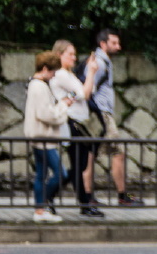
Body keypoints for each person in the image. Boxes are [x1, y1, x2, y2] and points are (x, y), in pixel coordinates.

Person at [50, 39, 104, 217]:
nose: (74, 57)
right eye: (70, 54)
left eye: (74, 54)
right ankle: (79, 202)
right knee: (78, 165)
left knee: (79, 165)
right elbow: (85, 94)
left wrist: (77, 91)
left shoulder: (69, 74)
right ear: (59, 55)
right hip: (72, 123)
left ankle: (79, 201)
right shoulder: (60, 74)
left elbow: (85, 91)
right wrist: (91, 72)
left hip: (79, 123)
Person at [92, 28, 143, 206]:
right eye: (114, 43)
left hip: (101, 113)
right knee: (117, 153)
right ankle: (121, 196)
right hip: (102, 114)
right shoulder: (99, 63)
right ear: (103, 44)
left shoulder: (103, 61)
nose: (118, 47)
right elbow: (88, 88)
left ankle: (88, 197)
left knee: (91, 155)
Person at [24, 50, 72, 223]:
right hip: (44, 138)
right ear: (45, 69)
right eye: (52, 72)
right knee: (61, 173)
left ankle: (40, 210)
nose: (53, 76)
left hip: (37, 136)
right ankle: (43, 203)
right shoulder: (40, 87)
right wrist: (63, 106)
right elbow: (46, 114)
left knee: (41, 174)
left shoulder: (34, 84)